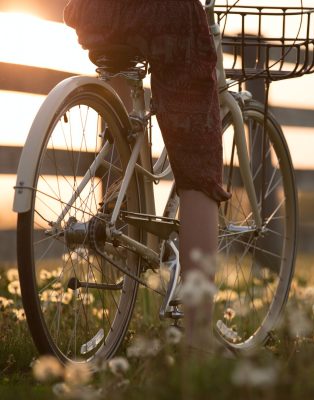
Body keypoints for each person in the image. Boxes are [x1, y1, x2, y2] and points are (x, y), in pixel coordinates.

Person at [63, 0, 230, 351]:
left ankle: (120, 216)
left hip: (95, 11)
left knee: (121, 121)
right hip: (164, 13)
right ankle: (198, 341)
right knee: (199, 165)